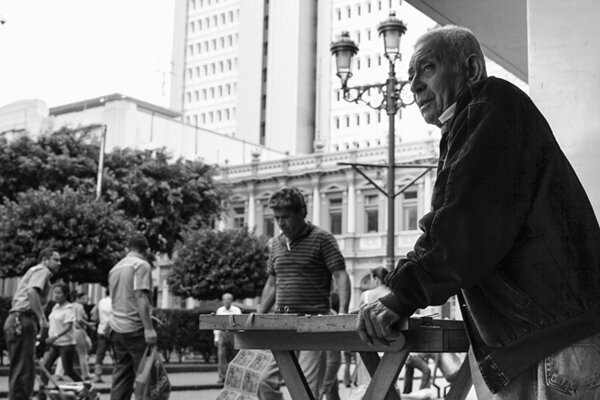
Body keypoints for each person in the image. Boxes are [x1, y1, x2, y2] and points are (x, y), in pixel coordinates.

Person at [356, 24, 600, 399]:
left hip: (553, 344)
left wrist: (402, 294)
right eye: (409, 77)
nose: (413, 86)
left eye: (427, 68)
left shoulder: (490, 104)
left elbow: (462, 226)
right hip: (545, 343)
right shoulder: (475, 119)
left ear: (469, 70)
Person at [257, 187, 351, 400]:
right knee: (263, 381)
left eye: (286, 217)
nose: (281, 223)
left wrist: (344, 312)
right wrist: (259, 316)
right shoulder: (275, 244)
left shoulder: (322, 239)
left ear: (301, 213)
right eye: (276, 218)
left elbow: (341, 275)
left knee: (306, 389)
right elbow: (272, 283)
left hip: (314, 322)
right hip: (282, 323)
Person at [3, 248, 61, 400]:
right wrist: (42, 319)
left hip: (16, 320)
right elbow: (32, 292)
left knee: (19, 366)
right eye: (55, 259)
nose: (59, 263)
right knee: (24, 367)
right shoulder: (43, 270)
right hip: (23, 320)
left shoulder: (33, 271)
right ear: (44, 260)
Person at [108, 233, 157, 400]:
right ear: (147, 250)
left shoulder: (115, 269)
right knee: (147, 378)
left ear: (127, 249)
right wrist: (149, 328)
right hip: (136, 329)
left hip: (117, 328)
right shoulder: (141, 265)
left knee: (121, 376)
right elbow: (140, 296)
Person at [38, 284, 83, 397]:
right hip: (54, 344)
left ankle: (85, 388)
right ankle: (41, 397)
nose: (56, 295)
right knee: (45, 369)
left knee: (68, 371)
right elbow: (52, 324)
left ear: (66, 294)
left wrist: (55, 336)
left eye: (59, 293)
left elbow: (68, 326)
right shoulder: (55, 307)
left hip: (66, 344)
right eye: (55, 292)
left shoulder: (70, 308)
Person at [214, 292, 242, 384]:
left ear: (232, 301)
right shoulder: (219, 311)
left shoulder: (236, 310)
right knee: (221, 355)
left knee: (235, 356)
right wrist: (216, 338)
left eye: (228, 300)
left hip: (233, 334)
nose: (226, 301)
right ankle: (222, 377)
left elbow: (240, 324)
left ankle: (235, 377)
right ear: (222, 301)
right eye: (225, 300)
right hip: (223, 333)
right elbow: (216, 325)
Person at [90, 288, 112, 383]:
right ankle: (118, 375)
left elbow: (93, 314)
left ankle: (97, 375)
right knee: (117, 354)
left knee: (100, 354)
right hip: (113, 330)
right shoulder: (116, 301)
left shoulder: (101, 301)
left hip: (101, 330)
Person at [72, 292, 93, 380]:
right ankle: (85, 374)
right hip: (79, 330)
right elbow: (79, 319)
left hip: (72, 330)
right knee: (83, 354)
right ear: (78, 298)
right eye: (84, 298)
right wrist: (89, 324)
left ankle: (59, 373)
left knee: (88, 346)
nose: (86, 300)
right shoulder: (79, 307)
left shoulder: (70, 306)